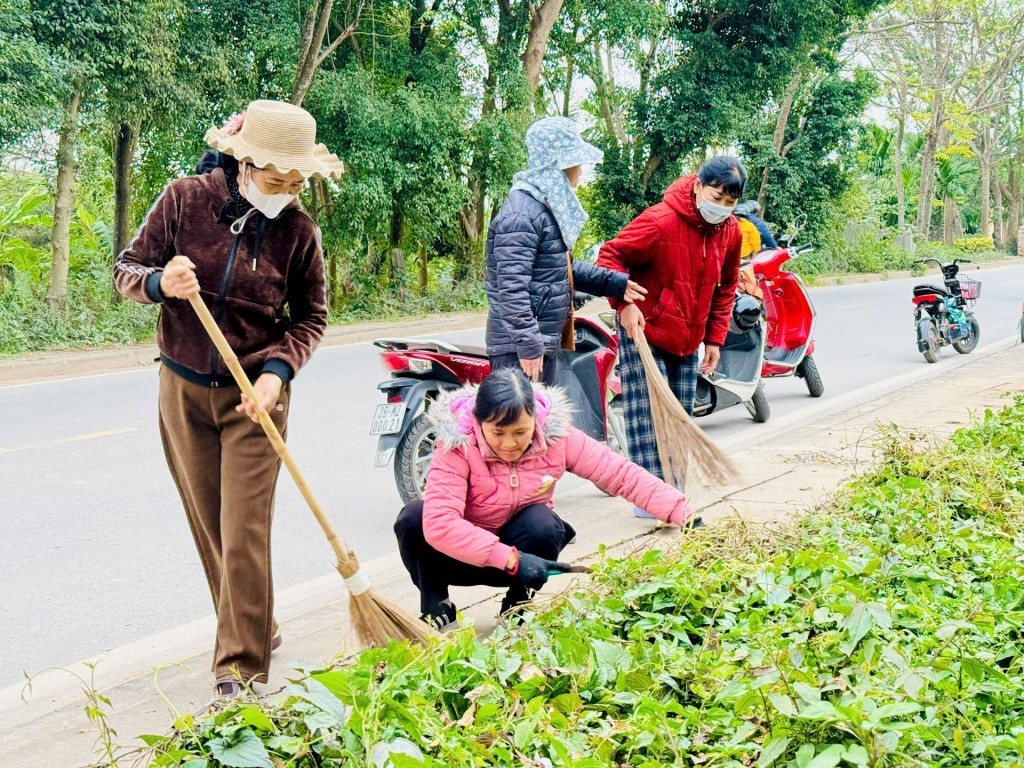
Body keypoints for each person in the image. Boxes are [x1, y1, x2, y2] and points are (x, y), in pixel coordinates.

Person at [113, 100, 343, 698]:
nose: (288, 191)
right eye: (277, 179)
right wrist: (161, 283)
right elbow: (126, 270)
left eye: (297, 182)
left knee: (244, 529)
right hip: (183, 387)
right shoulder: (184, 200)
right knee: (211, 527)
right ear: (245, 160)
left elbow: (312, 318)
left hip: (255, 398)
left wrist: (277, 373)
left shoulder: (299, 230)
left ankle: (238, 670)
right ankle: (256, 624)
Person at [394, 368, 697, 631]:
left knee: (544, 523)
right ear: (477, 422)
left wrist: (680, 511)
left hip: (528, 561)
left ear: (536, 422)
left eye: (520, 432)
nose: (509, 443)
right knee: (414, 519)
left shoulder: (556, 438)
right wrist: (510, 559)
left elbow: (620, 474)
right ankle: (437, 606)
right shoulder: (457, 446)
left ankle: (516, 607)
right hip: (464, 557)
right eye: (497, 433)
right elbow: (441, 525)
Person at [597, 157, 746, 517]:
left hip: (688, 335)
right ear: (698, 186)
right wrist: (624, 303)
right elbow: (610, 255)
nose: (721, 208)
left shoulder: (731, 232)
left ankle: (672, 493)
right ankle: (648, 500)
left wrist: (714, 340)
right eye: (716, 196)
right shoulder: (659, 220)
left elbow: (725, 288)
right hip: (644, 329)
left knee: (679, 416)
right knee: (650, 415)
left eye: (730, 202)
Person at [485, 116, 646, 386]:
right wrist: (528, 344)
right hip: (519, 348)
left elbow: (564, 267)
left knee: (542, 425)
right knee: (521, 427)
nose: (580, 172)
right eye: (576, 164)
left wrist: (614, 283)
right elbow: (511, 288)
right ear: (557, 165)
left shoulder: (540, 208)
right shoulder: (521, 215)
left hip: (537, 341)